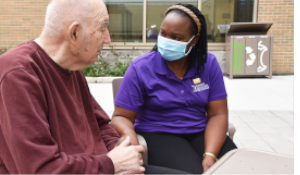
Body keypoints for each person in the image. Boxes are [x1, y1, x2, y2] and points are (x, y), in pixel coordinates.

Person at [0, 0, 193, 175]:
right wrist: (111, 164)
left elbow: (100, 123)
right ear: (75, 33)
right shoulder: (18, 74)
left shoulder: (73, 67)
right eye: (102, 29)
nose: (108, 39)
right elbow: (40, 169)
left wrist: (117, 149)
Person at [111, 3, 237, 175]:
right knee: (194, 172)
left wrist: (210, 155)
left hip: (200, 131)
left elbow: (218, 114)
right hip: (159, 133)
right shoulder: (140, 68)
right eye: (163, 33)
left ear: (195, 39)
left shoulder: (208, 64)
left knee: (237, 167)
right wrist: (130, 137)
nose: (166, 41)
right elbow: (120, 116)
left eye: (177, 38)